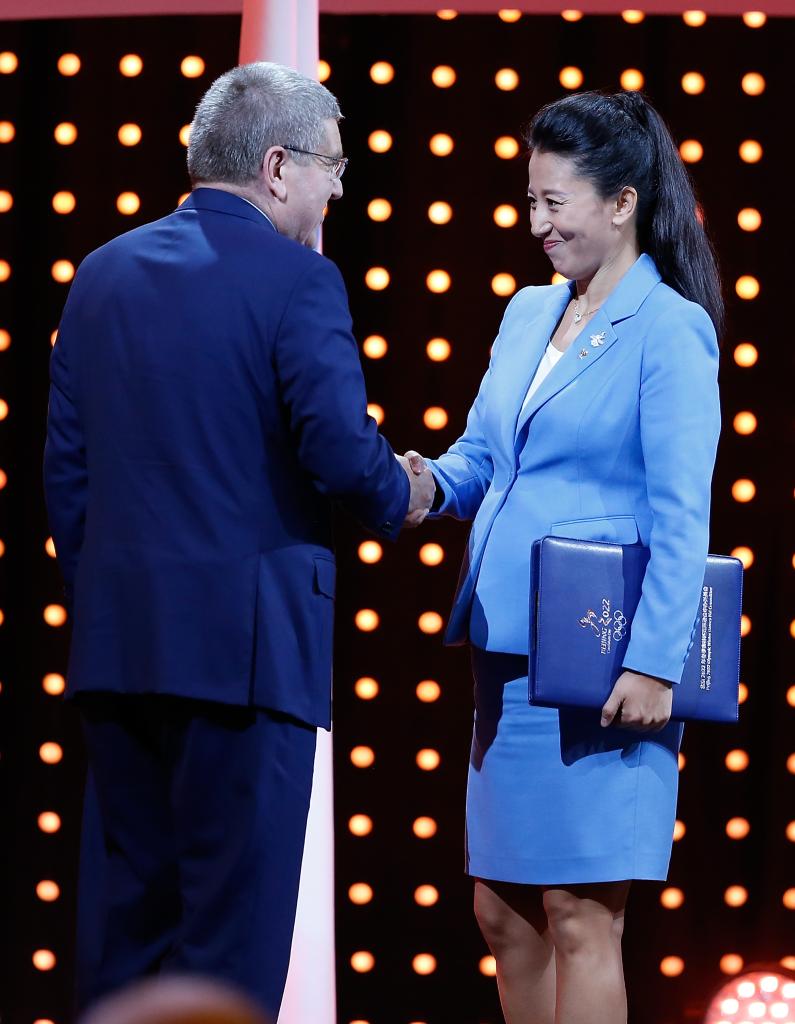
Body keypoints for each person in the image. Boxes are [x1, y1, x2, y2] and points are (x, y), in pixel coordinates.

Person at [43, 61, 434, 1019]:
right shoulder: (299, 280)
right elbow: (338, 448)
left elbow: (68, 476)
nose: (337, 190)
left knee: (126, 939)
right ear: (276, 166)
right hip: (245, 666)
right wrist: (406, 493)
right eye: (332, 167)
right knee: (229, 953)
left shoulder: (101, 273)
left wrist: (111, 601)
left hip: (120, 656)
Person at [405, 90, 722, 1024]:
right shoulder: (526, 312)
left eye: (555, 202)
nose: (536, 223)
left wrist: (653, 663)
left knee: (582, 916)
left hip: (601, 665)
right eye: (530, 201)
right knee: (501, 916)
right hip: (503, 660)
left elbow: (683, 514)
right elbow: (482, 457)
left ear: (621, 203)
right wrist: (420, 483)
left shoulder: (668, 326)